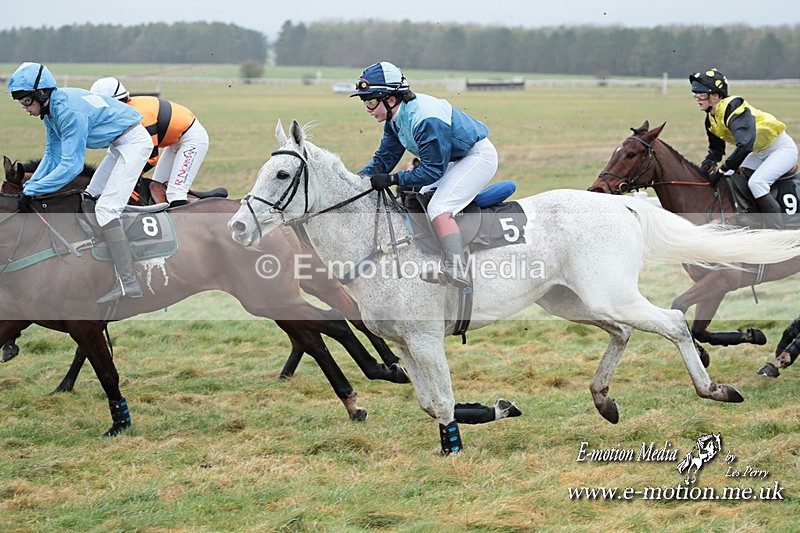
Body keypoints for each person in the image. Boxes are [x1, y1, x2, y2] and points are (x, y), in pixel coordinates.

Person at [8, 62, 152, 303]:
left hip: (134, 143)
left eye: (26, 101)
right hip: (119, 144)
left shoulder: (67, 112)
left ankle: (129, 283)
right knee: (90, 196)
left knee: (106, 209)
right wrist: (28, 187)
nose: (25, 108)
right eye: (21, 103)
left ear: (41, 93)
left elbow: (71, 166)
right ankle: (100, 251)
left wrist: (34, 188)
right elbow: (52, 156)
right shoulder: (50, 111)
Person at [352, 61, 498, 288]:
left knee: (438, 207)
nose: (368, 109)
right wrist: (354, 183)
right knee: (414, 200)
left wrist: (393, 179)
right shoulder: (395, 119)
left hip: (476, 157)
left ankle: (456, 267)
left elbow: (432, 170)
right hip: (450, 159)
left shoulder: (425, 118)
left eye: (371, 101)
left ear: (391, 99)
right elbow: (384, 160)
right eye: (364, 102)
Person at [690, 68, 798, 228]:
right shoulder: (710, 119)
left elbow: (745, 145)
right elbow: (716, 151)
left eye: (701, 94)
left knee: (757, 183)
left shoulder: (733, 107)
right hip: (760, 152)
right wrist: (707, 164)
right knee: (731, 177)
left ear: (715, 95)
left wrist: (721, 170)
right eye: (695, 94)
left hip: (781, 150)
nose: (697, 98)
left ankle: (779, 232)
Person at [90, 77, 209, 208]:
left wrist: (129, 177)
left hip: (192, 139)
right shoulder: (125, 112)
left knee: (175, 194)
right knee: (156, 189)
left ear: (119, 102)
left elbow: (151, 158)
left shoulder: (140, 117)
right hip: (174, 140)